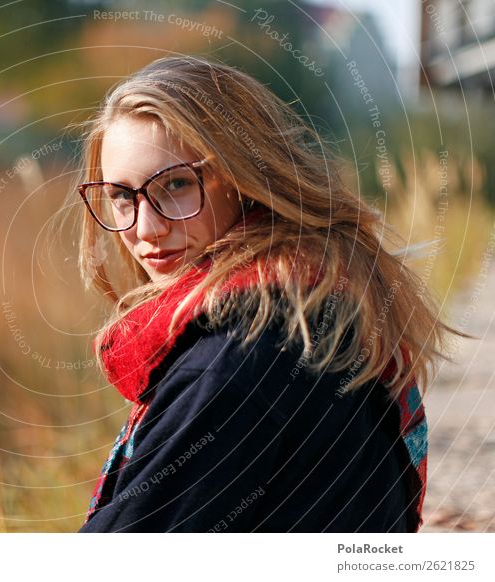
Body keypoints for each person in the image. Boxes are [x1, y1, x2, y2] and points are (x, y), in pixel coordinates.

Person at [70, 55, 458, 532]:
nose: (145, 229)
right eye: (122, 196)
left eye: (175, 185)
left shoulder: (237, 355)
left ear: (245, 179)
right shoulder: (320, 292)